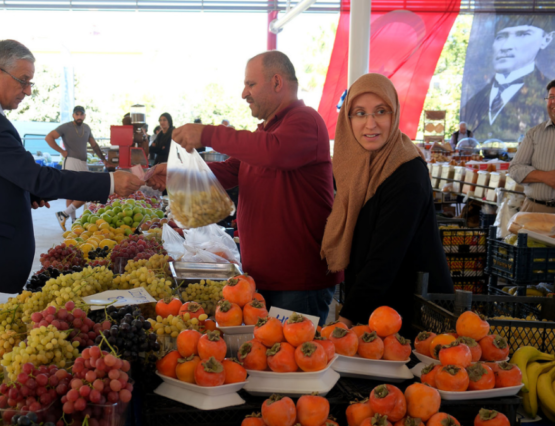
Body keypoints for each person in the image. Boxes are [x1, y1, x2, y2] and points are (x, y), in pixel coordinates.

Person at [0, 40, 143, 397]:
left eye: (30, 83)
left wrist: (25, 194)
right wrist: (110, 181)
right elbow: (34, 175)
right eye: (23, 81)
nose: (27, 91)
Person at [147, 51, 341, 323]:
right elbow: (230, 170)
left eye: (250, 84)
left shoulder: (305, 120)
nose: (244, 93)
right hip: (262, 278)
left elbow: (274, 152)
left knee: (292, 361)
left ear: (276, 82)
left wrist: (207, 134)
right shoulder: (267, 131)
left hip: (297, 283)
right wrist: (177, 173)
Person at [320, 73, 454, 336]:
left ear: (394, 115)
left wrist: (345, 321)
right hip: (378, 309)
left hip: (416, 318)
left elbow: (384, 259)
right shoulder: (356, 164)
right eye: (359, 113)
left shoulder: (407, 173)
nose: (370, 124)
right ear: (348, 119)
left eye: (380, 111)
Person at [462, 15, 554, 141]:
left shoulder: (547, 94)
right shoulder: (474, 100)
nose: (506, 46)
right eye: (501, 37)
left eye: (522, 34)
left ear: (546, 39)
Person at [45, 106, 114, 229]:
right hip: (70, 161)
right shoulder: (66, 127)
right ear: (73, 115)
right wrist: (61, 150)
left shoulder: (86, 128)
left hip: (83, 163)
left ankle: (64, 215)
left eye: (81, 114)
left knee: (87, 190)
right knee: (72, 192)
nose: (79, 117)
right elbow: (48, 137)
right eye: (76, 114)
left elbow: (94, 145)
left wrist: (104, 160)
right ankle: (73, 221)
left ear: (84, 116)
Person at [509, 80, 555, 213]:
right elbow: (514, 169)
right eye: (551, 97)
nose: (553, 102)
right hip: (535, 209)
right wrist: (546, 177)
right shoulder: (534, 133)